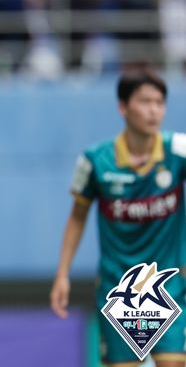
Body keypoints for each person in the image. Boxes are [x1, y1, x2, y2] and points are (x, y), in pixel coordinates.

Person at [50, 69, 186, 367]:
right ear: (123, 107)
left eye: (160, 102)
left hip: (170, 284)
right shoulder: (94, 160)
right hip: (120, 289)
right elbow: (77, 218)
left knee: (174, 363)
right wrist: (63, 274)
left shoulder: (178, 150)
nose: (154, 111)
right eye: (145, 102)